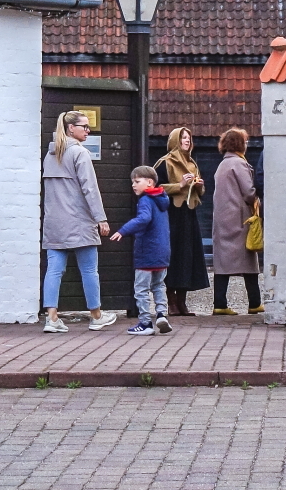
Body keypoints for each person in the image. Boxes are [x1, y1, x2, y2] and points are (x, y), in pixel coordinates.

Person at [40, 111, 119, 333]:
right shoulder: (80, 153)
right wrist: (101, 218)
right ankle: (96, 316)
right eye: (84, 126)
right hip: (79, 221)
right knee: (89, 270)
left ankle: (51, 318)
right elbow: (90, 189)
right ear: (70, 128)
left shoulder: (50, 155)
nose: (88, 130)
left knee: (54, 270)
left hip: (54, 222)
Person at [109, 166, 171, 336]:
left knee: (141, 289)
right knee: (159, 285)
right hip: (163, 251)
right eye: (132, 182)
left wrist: (123, 230)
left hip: (146, 251)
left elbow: (144, 218)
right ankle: (161, 314)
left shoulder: (145, 200)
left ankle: (145, 322)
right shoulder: (162, 199)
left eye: (137, 181)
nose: (133, 185)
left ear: (149, 182)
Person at [154, 126, 207, 317]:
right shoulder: (165, 162)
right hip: (171, 216)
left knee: (187, 257)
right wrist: (180, 185)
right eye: (183, 137)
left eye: (188, 138)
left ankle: (182, 302)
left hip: (189, 215)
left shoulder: (192, 163)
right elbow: (155, 187)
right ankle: (171, 302)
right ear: (175, 140)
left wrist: (199, 186)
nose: (187, 140)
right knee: (173, 256)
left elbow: (200, 192)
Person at [209, 127, 262, 315]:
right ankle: (254, 303)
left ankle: (220, 303)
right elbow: (248, 192)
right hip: (240, 219)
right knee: (249, 259)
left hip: (222, 219)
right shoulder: (239, 164)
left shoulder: (222, 165)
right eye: (245, 141)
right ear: (240, 144)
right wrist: (258, 200)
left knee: (222, 263)